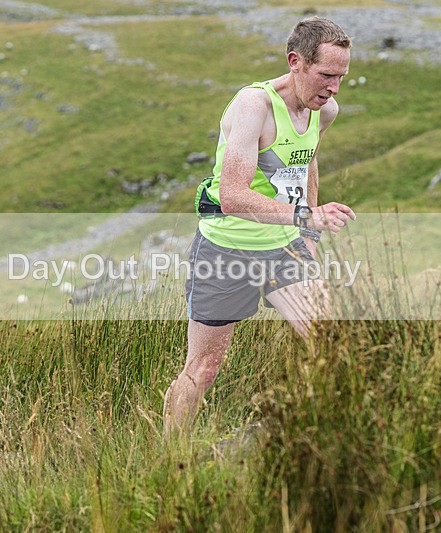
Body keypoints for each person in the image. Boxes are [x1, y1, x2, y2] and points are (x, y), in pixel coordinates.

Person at [164, 17, 355, 435]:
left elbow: (307, 165)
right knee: (204, 367)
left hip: (286, 250)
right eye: (326, 75)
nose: (334, 88)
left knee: (332, 346)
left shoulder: (326, 111)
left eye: (342, 77)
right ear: (296, 62)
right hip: (225, 250)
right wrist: (308, 216)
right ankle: (169, 461)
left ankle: (308, 443)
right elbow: (231, 195)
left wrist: (308, 233)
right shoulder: (254, 106)